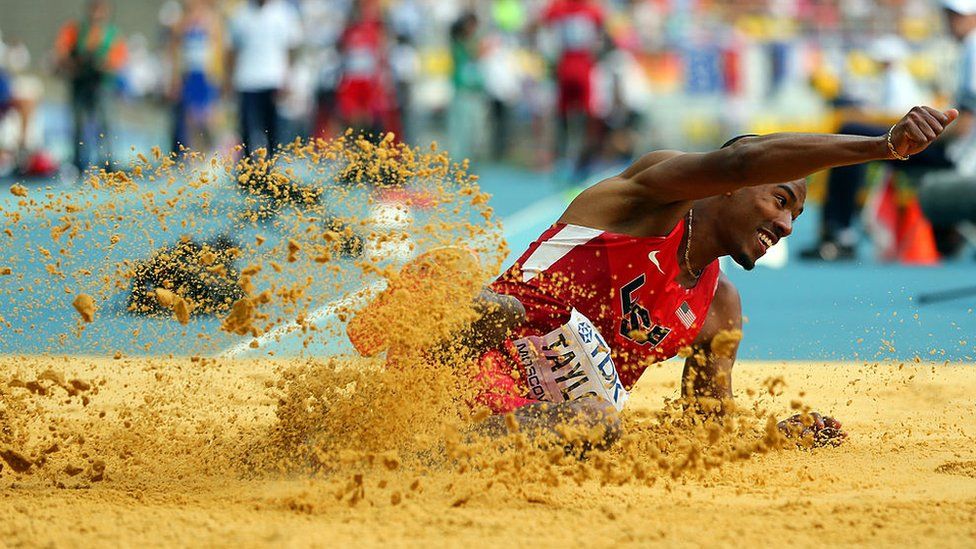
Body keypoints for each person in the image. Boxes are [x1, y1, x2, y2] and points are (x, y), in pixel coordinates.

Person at [421, 105, 956, 447]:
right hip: (461, 361)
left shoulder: (719, 305)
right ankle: (401, 425)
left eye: (795, 216)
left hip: (534, 425)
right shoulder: (651, 203)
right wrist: (879, 147)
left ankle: (430, 455)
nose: (786, 224)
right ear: (729, 186)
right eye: (780, 199)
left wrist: (777, 438)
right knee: (488, 301)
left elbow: (707, 431)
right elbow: (744, 158)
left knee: (597, 424)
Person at [54, 0, 127, 171]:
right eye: (94, 10)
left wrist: (100, 64)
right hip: (80, 84)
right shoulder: (75, 30)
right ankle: (79, 162)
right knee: (79, 124)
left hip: (102, 85)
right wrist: (77, 63)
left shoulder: (112, 34)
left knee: (105, 124)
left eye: (100, 10)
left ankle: (108, 163)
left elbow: (117, 61)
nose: (97, 15)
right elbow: (61, 54)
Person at [227, 0, 302, 158]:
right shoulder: (240, 14)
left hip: (273, 80)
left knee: (273, 131)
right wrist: (228, 79)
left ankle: (270, 171)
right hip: (246, 81)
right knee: (247, 131)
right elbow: (232, 51)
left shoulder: (284, 12)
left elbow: (292, 49)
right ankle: (247, 173)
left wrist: (289, 79)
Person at [168, 0, 224, 153]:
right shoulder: (181, 22)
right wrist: (175, 78)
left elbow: (218, 50)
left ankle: (212, 152)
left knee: (209, 118)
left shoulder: (212, 19)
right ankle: (193, 153)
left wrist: (217, 75)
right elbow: (175, 52)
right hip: (189, 74)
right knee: (190, 119)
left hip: (206, 74)